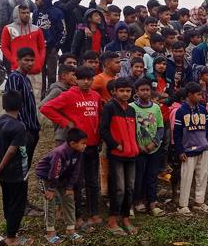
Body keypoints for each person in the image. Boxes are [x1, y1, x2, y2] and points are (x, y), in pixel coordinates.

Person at [40, 66, 102, 228]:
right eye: (83, 79)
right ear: (77, 80)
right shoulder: (68, 95)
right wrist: (65, 122)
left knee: (93, 182)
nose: (87, 82)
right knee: (76, 182)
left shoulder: (95, 95)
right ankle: (77, 216)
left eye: (90, 79)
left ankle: (94, 213)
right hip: (76, 148)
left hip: (93, 145)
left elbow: (99, 116)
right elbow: (46, 108)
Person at [0, 90, 31, 246]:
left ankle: (11, 229)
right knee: (18, 202)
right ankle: (11, 238)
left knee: (7, 199)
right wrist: (0, 166)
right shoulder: (19, 126)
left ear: (3, 105)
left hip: (3, 173)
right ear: (21, 106)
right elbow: (12, 150)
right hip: (17, 171)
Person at [34, 127, 86, 243]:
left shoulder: (78, 153)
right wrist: (52, 188)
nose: (85, 146)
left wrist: (69, 186)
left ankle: (70, 230)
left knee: (69, 199)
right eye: (83, 143)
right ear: (72, 143)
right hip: (46, 177)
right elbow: (54, 171)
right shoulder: (59, 152)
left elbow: (76, 171)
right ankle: (50, 232)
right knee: (50, 201)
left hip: (63, 177)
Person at [100, 77, 138, 234]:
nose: (125, 94)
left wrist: (135, 146)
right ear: (114, 91)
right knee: (119, 188)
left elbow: (134, 131)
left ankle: (126, 218)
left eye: (128, 91)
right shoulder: (109, 107)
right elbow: (103, 130)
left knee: (130, 187)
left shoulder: (131, 110)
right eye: (121, 91)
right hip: (116, 154)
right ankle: (112, 221)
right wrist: (116, 145)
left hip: (132, 154)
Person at [173, 81, 208, 214]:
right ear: (189, 95)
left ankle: (199, 202)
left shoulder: (202, 109)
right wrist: (180, 150)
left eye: (201, 94)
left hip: (203, 148)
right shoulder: (181, 111)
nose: (201, 97)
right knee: (187, 176)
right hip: (188, 150)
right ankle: (183, 204)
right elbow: (177, 132)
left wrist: (207, 142)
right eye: (198, 94)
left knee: (202, 175)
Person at [131, 78, 166, 215]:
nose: (145, 92)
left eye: (147, 90)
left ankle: (152, 203)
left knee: (152, 176)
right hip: (138, 149)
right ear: (136, 92)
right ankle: (138, 202)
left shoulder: (156, 108)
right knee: (138, 176)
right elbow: (130, 129)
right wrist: (138, 145)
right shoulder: (131, 108)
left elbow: (160, 128)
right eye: (142, 90)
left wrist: (154, 143)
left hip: (154, 149)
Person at [4, 47, 42, 161]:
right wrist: (22, 129)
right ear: (18, 60)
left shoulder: (26, 79)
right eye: (26, 60)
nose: (30, 63)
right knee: (21, 165)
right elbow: (13, 106)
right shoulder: (15, 78)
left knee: (27, 162)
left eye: (32, 60)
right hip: (24, 130)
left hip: (32, 129)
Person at [1, 5, 46, 92]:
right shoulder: (8, 29)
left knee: (36, 96)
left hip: (36, 69)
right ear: (17, 14)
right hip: (18, 69)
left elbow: (42, 47)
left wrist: (40, 61)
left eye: (28, 13)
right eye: (23, 13)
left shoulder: (36, 29)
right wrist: (14, 60)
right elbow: (4, 47)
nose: (26, 15)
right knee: (19, 96)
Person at [33, 0, 66, 88]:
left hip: (52, 48)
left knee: (52, 75)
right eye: (34, 0)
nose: (35, 2)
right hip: (38, 49)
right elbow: (33, 29)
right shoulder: (35, 13)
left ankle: (51, 96)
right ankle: (41, 96)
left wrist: (57, 47)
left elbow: (63, 31)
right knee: (39, 74)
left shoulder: (57, 12)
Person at [41, 63, 77, 145]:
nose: (76, 78)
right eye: (74, 75)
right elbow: (42, 106)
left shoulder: (70, 89)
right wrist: (63, 121)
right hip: (62, 132)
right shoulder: (57, 90)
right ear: (64, 76)